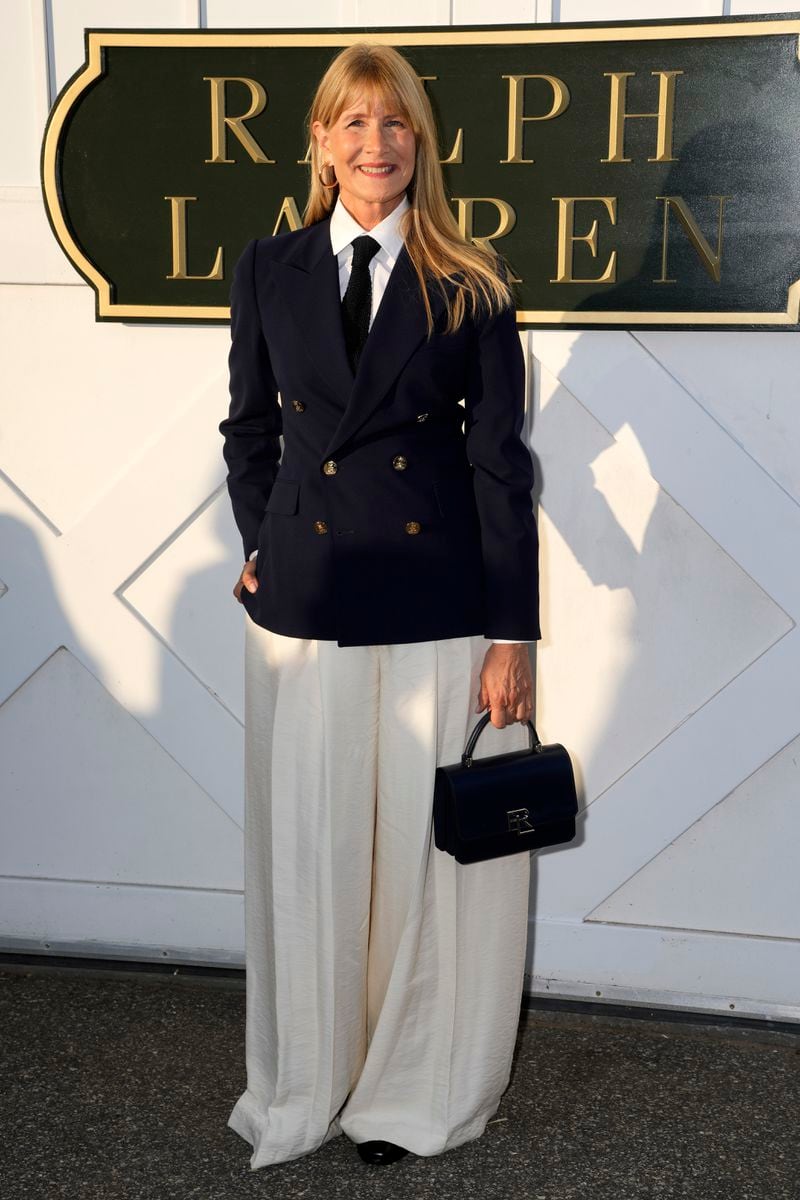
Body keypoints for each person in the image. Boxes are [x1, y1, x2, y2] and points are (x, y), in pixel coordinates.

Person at [217, 41, 541, 1171]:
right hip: (303, 606)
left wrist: (514, 633)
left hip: (435, 604)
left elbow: (500, 467)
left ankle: (412, 1091)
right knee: (310, 854)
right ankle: (306, 1081)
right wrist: (260, 536)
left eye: (393, 125)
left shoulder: (469, 282)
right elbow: (247, 429)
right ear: (316, 141)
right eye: (351, 125)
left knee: (420, 862)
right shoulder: (268, 268)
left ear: (420, 144)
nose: (374, 145)